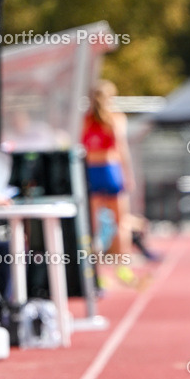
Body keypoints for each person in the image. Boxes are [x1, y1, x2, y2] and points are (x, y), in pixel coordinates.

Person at [81, 79, 135, 262]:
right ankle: (122, 264)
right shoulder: (116, 118)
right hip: (110, 170)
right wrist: (128, 175)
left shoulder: (84, 120)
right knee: (121, 222)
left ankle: (94, 267)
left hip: (91, 170)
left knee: (92, 224)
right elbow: (122, 148)